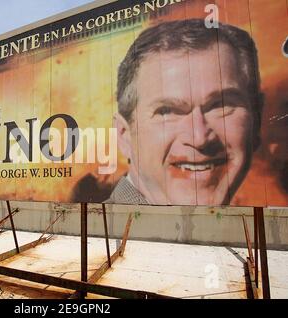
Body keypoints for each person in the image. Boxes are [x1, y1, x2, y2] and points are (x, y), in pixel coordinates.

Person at [107, 19, 263, 206]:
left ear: (257, 118)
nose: (199, 138)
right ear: (124, 136)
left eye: (220, 106)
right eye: (167, 112)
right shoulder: (98, 234)